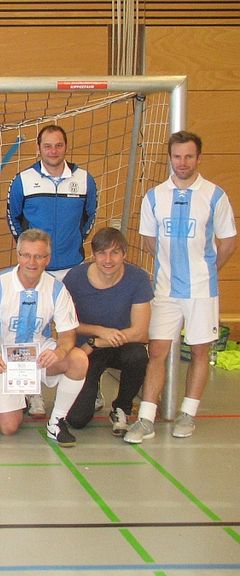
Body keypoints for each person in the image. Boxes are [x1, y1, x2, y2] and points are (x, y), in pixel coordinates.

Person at [127, 131, 237, 443]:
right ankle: (146, 418)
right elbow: (151, 241)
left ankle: (188, 413)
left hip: (202, 290)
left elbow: (228, 241)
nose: (183, 162)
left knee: (200, 350)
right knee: (157, 350)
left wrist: (209, 269)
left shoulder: (214, 195)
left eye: (189, 156)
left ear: (198, 158)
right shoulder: (154, 196)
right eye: (177, 156)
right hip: (164, 290)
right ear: (170, 158)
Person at [6, 124, 97, 417]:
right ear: (39, 148)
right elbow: (14, 219)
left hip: (72, 266)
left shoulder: (84, 180)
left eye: (58, 145)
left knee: (75, 328)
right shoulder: (23, 180)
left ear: (65, 147)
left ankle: (86, 388)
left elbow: (89, 217)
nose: (53, 151)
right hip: (35, 268)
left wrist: (72, 246)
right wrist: (33, 257)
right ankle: (32, 393)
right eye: (48, 146)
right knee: (30, 328)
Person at [0, 229, 89, 447]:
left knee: (79, 359)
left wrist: (60, 352)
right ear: (18, 255)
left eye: (39, 256)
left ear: (48, 259)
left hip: (38, 355)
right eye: (26, 255)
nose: (32, 262)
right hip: (4, 359)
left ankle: (56, 422)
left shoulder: (57, 288)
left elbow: (68, 333)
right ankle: (20, 396)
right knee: (9, 428)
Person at [62, 227, 152, 435]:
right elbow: (66, 324)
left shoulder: (138, 279)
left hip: (117, 346)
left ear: (124, 254)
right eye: (102, 253)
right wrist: (99, 331)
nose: (108, 259)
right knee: (77, 419)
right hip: (86, 351)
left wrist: (98, 341)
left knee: (138, 355)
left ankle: (121, 407)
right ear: (93, 255)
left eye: (115, 253)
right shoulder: (75, 278)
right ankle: (92, 392)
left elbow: (139, 332)